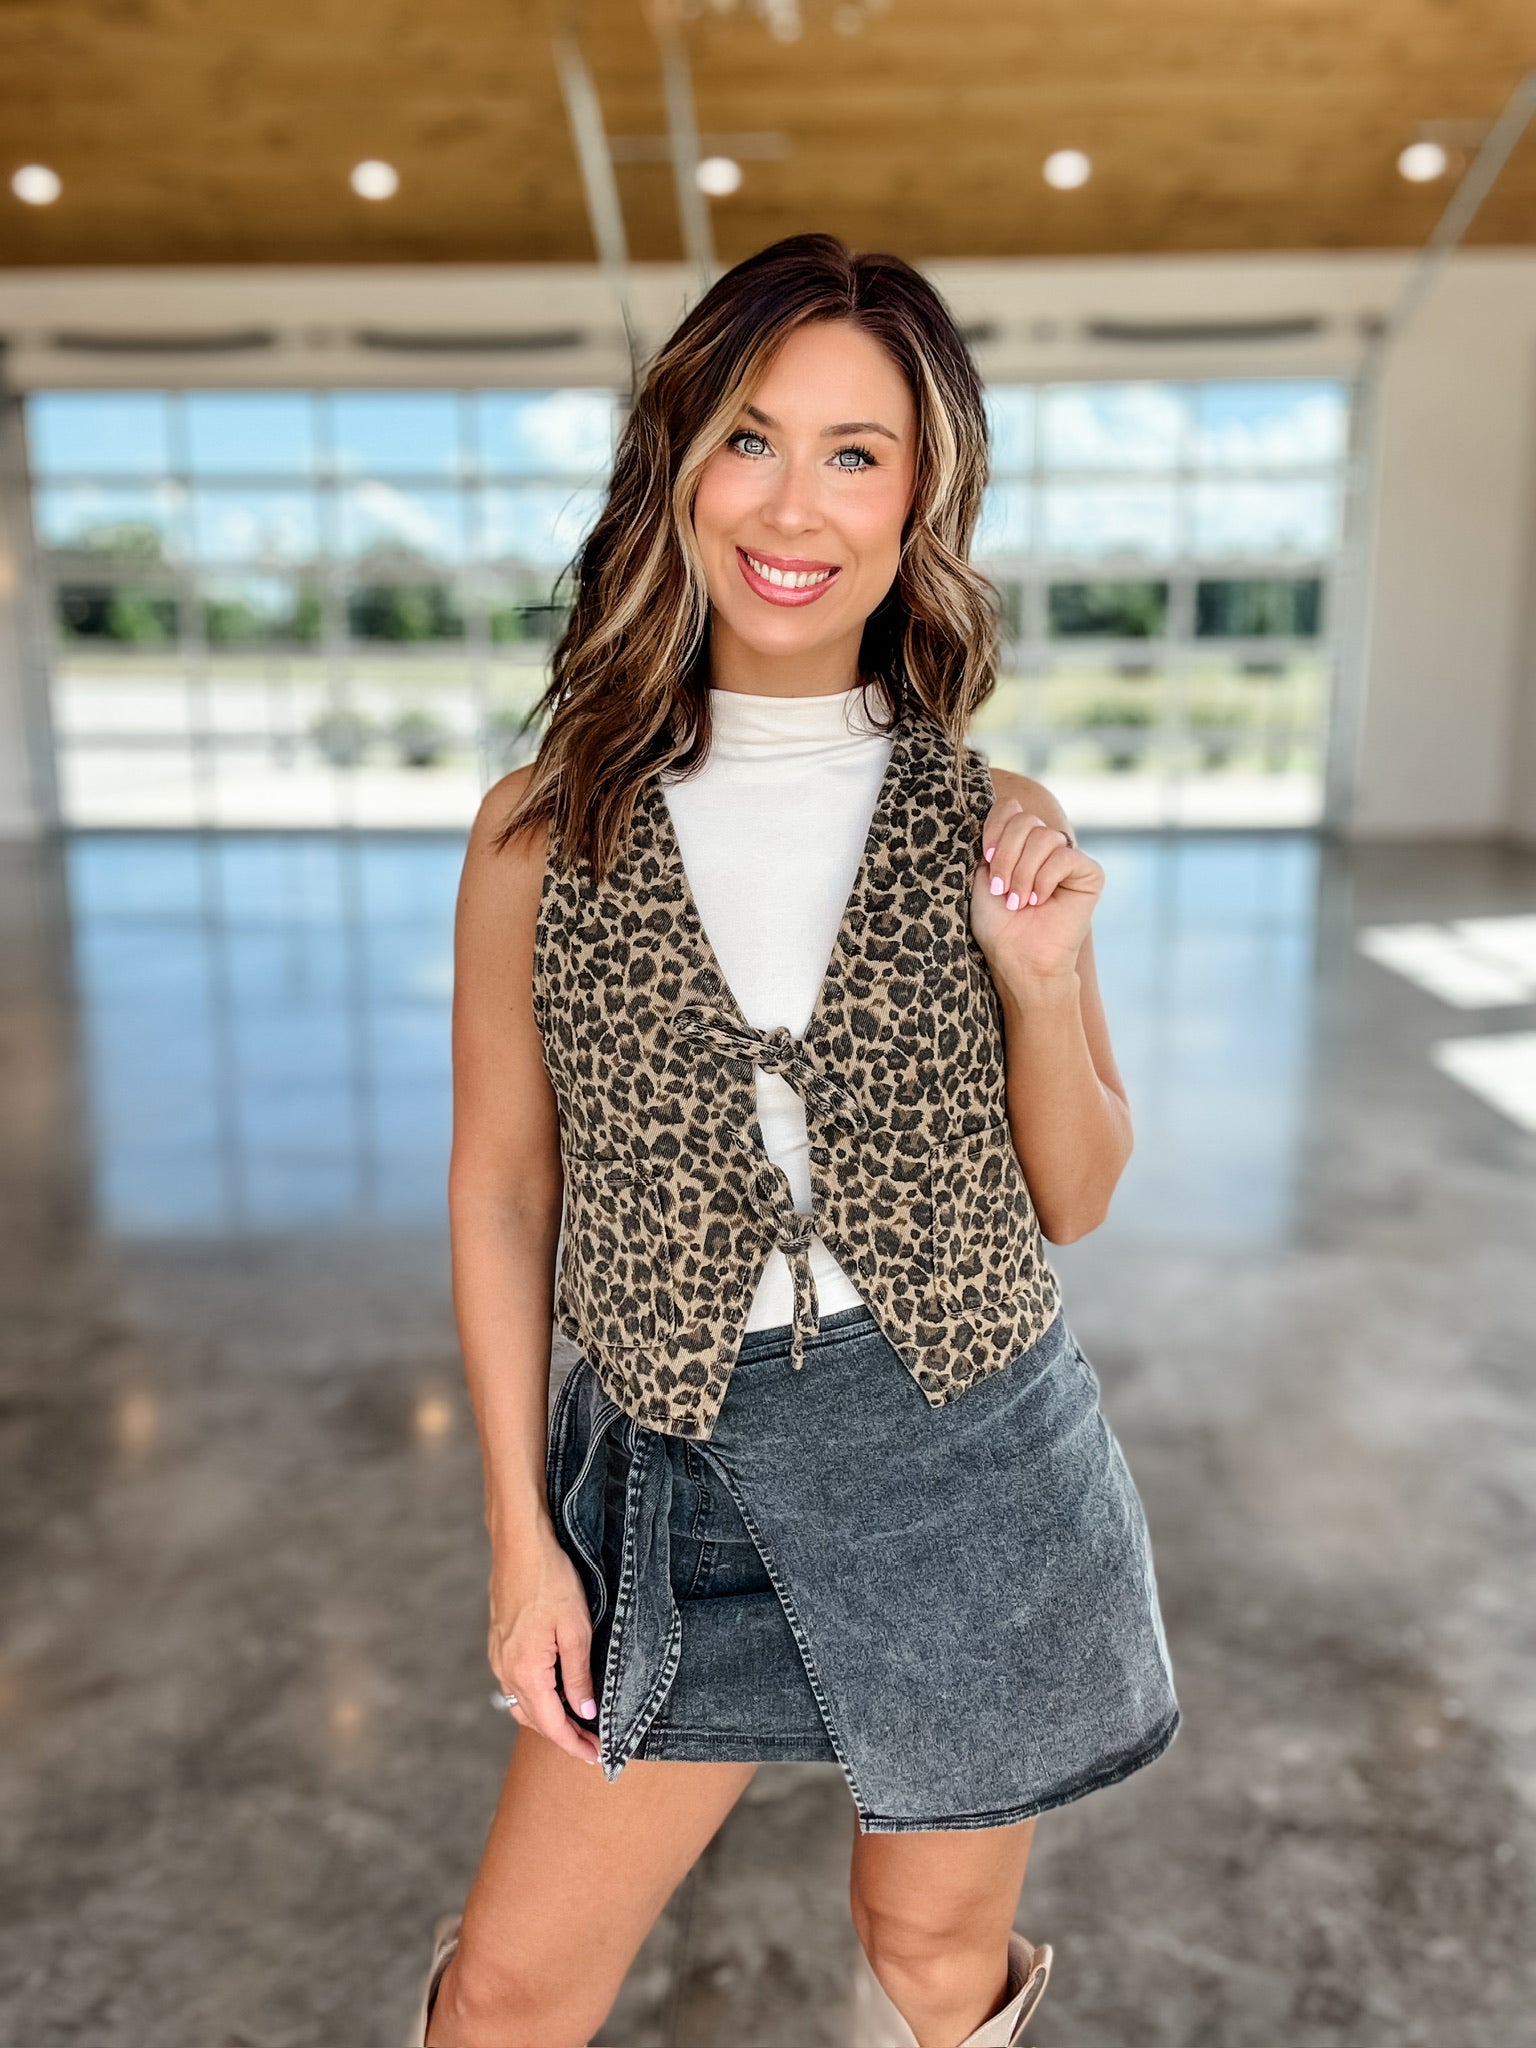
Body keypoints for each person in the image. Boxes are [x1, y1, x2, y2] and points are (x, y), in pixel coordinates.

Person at [416, 231, 1179, 2048]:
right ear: (680, 462)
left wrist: (1041, 982)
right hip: (682, 1475)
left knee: (929, 1956)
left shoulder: (991, 810)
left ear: (918, 500)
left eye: (856, 453)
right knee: (510, 1993)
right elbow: (502, 1187)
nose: (793, 503)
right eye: (752, 438)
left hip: (969, 1467)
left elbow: (1077, 1194)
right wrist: (522, 1538)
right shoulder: (541, 828)